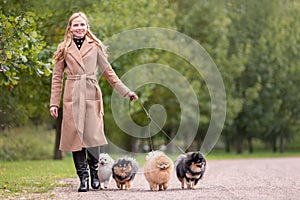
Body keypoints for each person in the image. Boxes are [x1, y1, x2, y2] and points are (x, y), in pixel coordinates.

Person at [49, 12, 138, 192]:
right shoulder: (63, 48)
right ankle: (83, 179)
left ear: (87, 27)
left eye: (83, 25)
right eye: (76, 25)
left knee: (93, 137)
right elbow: (57, 77)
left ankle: (95, 175)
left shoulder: (95, 47)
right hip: (72, 95)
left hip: (91, 93)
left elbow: (109, 73)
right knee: (75, 138)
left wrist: (126, 92)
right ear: (70, 28)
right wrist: (53, 102)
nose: (80, 28)